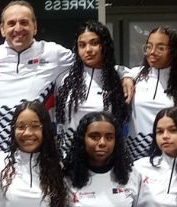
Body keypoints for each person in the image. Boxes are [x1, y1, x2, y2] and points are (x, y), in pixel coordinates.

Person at [0, 1, 135, 152]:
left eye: (24, 22)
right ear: (2, 29)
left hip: (38, 147)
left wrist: (125, 74)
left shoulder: (54, 54)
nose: (17, 28)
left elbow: (90, 62)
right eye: (11, 23)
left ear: (35, 26)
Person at [59, 111, 136, 207]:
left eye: (109, 137)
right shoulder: (67, 177)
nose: (102, 143)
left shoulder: (131, 175)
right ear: (83, 139)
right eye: (94, 136)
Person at [55, 21, 130, 157]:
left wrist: (128, 76)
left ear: (105, 45)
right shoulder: (65, 79)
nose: (88, 50)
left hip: (106, 157)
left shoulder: (119, 78)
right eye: (82, 45)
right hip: (70, 158)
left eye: (94, 43)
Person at [127, 26, 177, 161]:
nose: (152, 52)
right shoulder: (134, 75)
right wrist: (126, 77)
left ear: (174, 51)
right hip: (135, 154)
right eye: (149, 46)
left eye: (160, 48)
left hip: (170, 156)